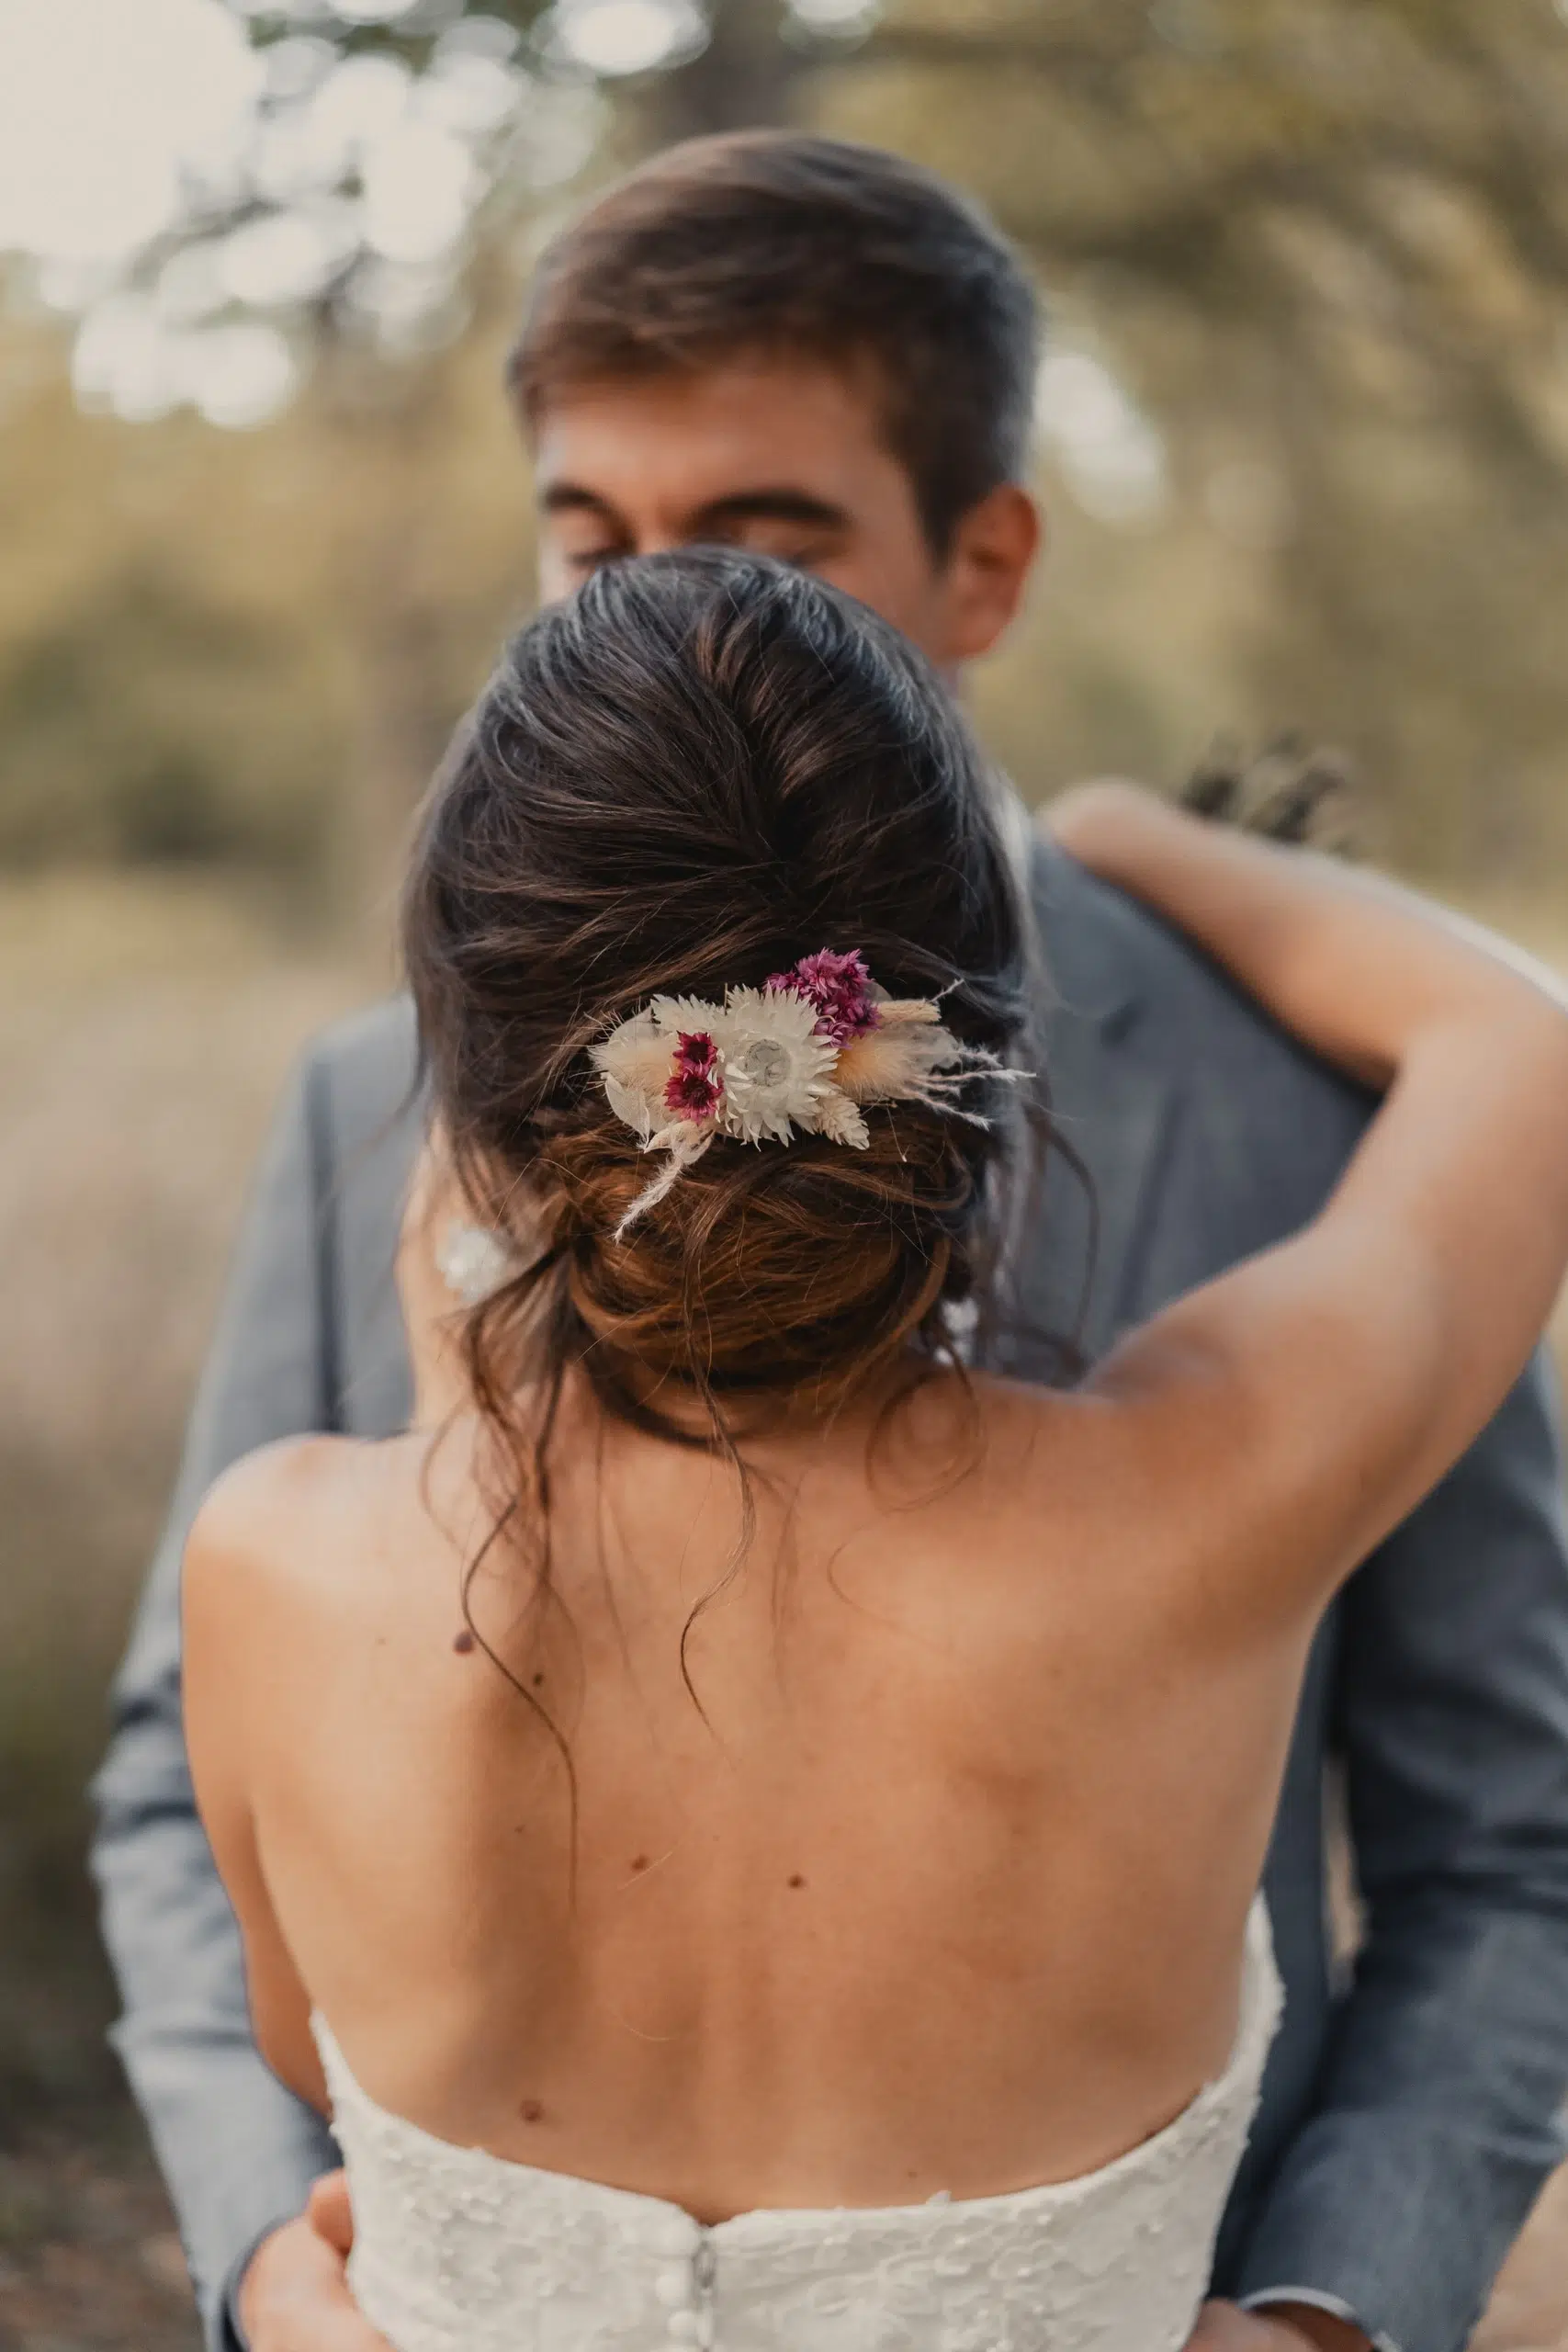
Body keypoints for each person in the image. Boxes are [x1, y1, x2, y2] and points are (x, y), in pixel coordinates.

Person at [90, 133, 1568, 2352]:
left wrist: (1330, 2314)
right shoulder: (345, 1100)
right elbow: (179, 1832)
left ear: (984, 562)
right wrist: (269, 2272)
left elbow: (1510, 1844)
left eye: (760, 550)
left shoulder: (1287, 1104)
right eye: (589, 548)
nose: (664, 632)